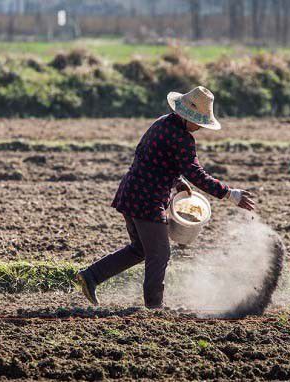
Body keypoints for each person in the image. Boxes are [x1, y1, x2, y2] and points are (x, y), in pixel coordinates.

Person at [76, 86, 255, 309]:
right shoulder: (182, 138)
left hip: (131, 192)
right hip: (147, 200)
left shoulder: (163, 122)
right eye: (199, 122)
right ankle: (154, 307)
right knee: (159, 253)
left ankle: (91, 276)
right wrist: (229, 194)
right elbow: (196, 174)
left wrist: (177, 180)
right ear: (189, 117)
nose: (200, 127)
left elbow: (150, 155)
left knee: (141, 249)